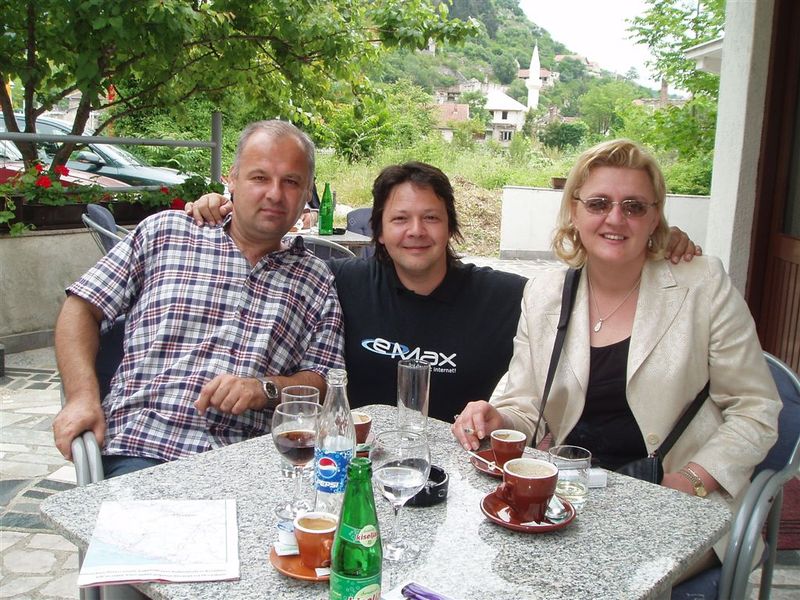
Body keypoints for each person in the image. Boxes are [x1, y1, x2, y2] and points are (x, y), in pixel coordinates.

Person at [452, 139, 779, 574]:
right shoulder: (546, 293)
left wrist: (690, 480)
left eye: (634, 207)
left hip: (676, 499)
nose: (615, 218)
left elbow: (756, 409)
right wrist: (499, 419)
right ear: (574, 210)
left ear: (655, 216)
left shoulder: (702, 284)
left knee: (589, 575)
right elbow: (525, 402)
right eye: (599, 203)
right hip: (572, 493)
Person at [186, 162, 700, 423]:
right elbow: (271, 251)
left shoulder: (507, 296)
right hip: (363, 473)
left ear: (451, 226)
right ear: (378, 231)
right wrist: (219, 209)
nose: (416, 232)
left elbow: (590, 291)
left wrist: (650, 246)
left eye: (431, 218)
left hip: (467, 474)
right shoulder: (340, 281)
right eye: (400, 219)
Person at [52, 120, 345, 478]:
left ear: (307, 192)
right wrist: (81, 397)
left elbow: (324, 380)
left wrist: (265, 388)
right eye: (259, 177)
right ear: (231, 179)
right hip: (145, 450)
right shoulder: (166, 233)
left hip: (247, 464)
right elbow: (82, 306)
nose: (274, 193)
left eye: (291, 182)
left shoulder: (316, 278)